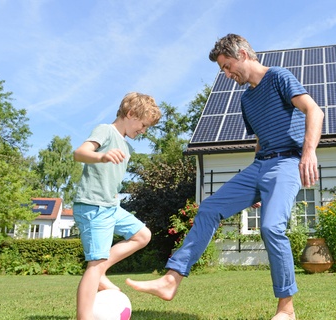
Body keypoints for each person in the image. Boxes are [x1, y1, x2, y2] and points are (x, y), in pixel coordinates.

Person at [126, 33, 324, 320]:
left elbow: (313, 111)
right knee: (209, 208)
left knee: (271, 228)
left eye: (227, 66)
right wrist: (256, 187)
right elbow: (260, 141)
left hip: (287, 162)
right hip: (261, 166)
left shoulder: (279, 76)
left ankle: (286, 309)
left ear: (243, 55)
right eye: (223, 70)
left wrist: (308, 152)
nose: (227, 74)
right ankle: (171, 280)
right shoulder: (246, 100)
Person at [72, 92, 162, 320]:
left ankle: (100, 271)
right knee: (95, 264)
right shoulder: (106, 130)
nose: (143, 131)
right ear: (130, 114)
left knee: (142, 235)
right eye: (143, 125)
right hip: (93, 206)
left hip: (111, 206)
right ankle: (85, 316)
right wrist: (101, 157)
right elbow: (79, 153)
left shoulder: (127, 148)